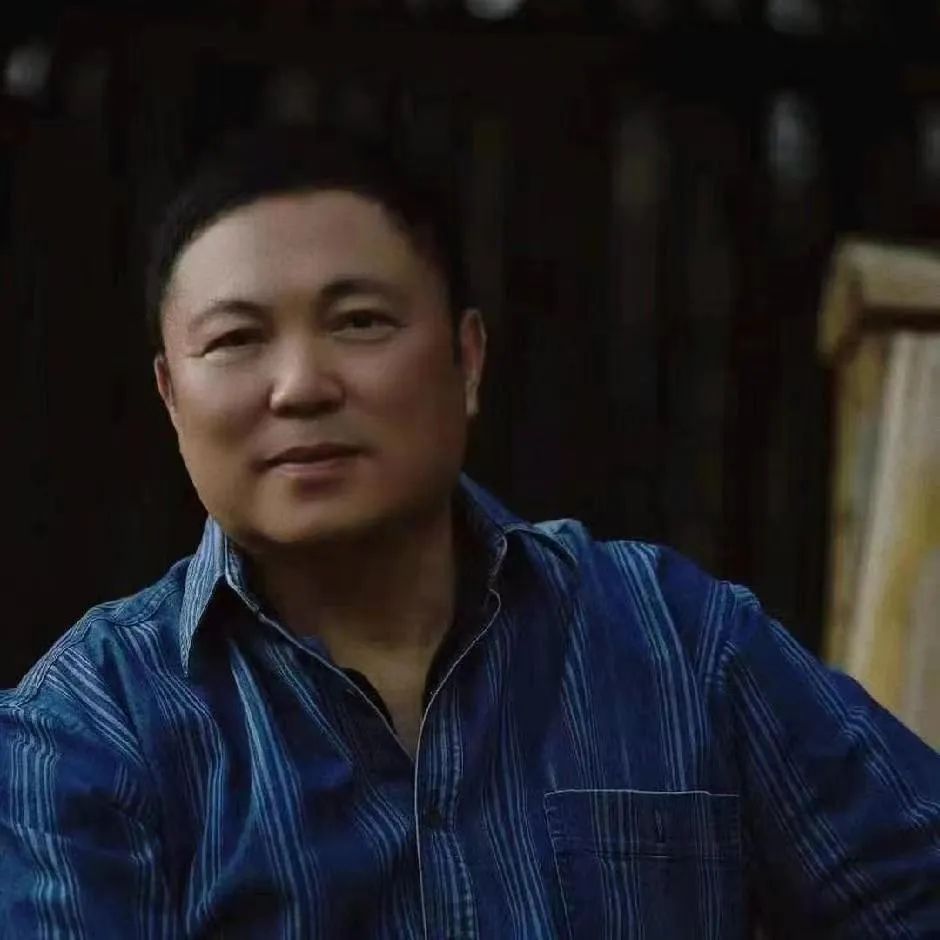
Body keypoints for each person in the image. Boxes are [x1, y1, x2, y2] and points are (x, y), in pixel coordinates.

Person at [1, 127, 937, 940]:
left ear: (468, 359)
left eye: (359, 322)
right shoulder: (86, 732)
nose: (301, 386)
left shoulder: (676, 641)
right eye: (237, 339)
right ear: (172, 396)